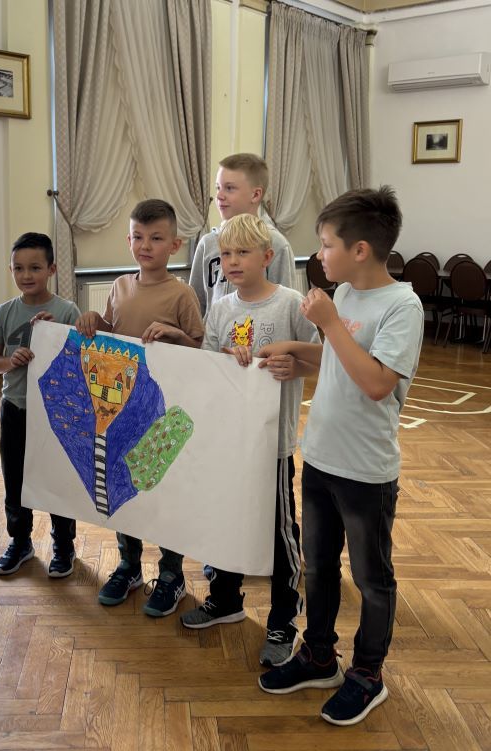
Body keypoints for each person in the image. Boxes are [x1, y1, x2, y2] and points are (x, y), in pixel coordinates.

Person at [258, 186, 424, 727]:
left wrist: (328, 322)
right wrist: (294, 352)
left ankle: (368, 675)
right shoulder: (346, 293)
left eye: (326, 244)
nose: (319, 254)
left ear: (360, 250)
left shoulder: (402, 306)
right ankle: (319, 657)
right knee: (320, 567)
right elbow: (337, 358)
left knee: (372, 579)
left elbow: (376, 383)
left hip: (366, 472)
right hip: (321, 459)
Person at [180, 214, 320, 670]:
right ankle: (225, 598)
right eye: (226, 254)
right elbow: (208, 366)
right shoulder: (221, 308)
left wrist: (293, 365)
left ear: (267, 256)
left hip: (271, 445)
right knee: (227, 522)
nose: (233, 262)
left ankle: (283, 619)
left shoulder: (290, 304)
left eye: (243, 252)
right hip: (229, 441)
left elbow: (319, 358)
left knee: (280, 535)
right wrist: (226, 359)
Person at [75, 199, 204, 617]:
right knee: (121, 487)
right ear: (128, 240)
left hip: (161, 411)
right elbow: (111, 333)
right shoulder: (119, 286)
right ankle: (128, 565)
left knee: (165, 492)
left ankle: (171, 574)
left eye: (156, 238)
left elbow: (200, 348)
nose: (145, 245)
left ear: (175, 245)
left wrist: (174, 334)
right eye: (138, 237)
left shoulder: (182, 294)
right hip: (121, 411)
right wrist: (94, 320)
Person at [0, 232, 80, 577]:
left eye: (35, 267)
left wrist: (55, 338)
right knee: (15, 480)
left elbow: (79, 360)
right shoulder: (5, 312)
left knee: (56, 480)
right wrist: (10, 361)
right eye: (19, 268)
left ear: (51, 269)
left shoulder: (66, 311)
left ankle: (64, 546)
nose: (26, 275)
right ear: (10, 270)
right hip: (15, 408)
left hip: (56, 412)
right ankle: (20, 541)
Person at [189, 153, 296, 319]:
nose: (219, 196)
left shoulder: (275, 243)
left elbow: (286, 308)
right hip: (212, 335)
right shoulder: (207, 243)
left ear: (255, 195)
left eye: (229, 188)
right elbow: (196, 304)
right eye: (218, 187)